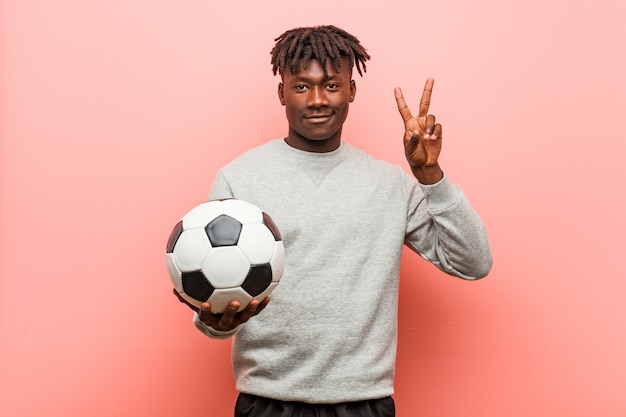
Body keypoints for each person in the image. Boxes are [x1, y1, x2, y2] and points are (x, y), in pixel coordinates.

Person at [174, 25, 492, 417]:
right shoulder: (240, 178)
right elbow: (215, 308)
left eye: (331, 85)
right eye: (302, 87)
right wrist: (218, 322)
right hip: (268, 402)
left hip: (364, 402)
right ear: (282, 94)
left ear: (352, 91)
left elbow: (474, 263)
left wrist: (431, 177)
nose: (318, 100)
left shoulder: (390, 183)